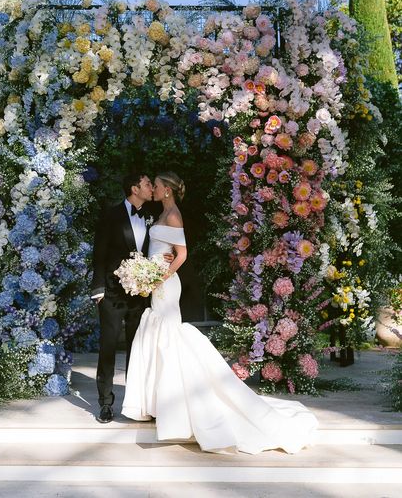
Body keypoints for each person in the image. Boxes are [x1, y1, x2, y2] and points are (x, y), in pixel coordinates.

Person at [122, 171, 319, 454]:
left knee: (168, 335)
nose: (152, 188)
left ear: (167, 190)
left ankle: (178, 405)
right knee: (158, 335)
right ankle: (158, 403)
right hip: (156, 280)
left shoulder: (174, 214)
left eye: (157, 185)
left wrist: (159, 277)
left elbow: (182, 254)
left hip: (164, 284)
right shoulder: (163, 213)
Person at [91, 171, 154, 424]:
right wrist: (98, 288)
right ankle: (105, 403)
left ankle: (134, 401)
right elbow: (99, 253)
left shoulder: (152, 217)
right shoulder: (111, 214)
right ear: (134, 188)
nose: (151, 188)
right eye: (147, 184)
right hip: (112, 293)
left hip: (140, 295)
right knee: (108, 347)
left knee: (137, 350)